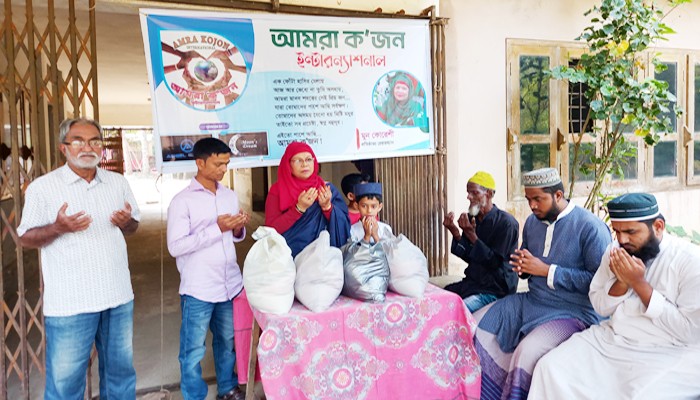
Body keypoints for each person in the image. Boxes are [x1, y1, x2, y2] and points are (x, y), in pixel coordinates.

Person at [530, 193, 700, 399]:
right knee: (549, 367)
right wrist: (622, 282)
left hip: (668, 350)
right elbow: (600, 306)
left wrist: (640, 285)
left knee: (639, 395)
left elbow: (690, 332)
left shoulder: (690, 261)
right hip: (612, 339)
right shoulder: (615, 251)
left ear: (658, 226)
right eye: (617, 231)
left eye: (630, 232)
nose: (622, 240)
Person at [17, 118, 140, 399]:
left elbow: (134, 227)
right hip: (71, 303)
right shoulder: (43, 188)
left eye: (95, 140)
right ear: (64, 148)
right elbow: (25, 238)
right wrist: (58, 227)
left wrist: (125, 222)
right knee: (66, 385)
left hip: (118, 297)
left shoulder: (117, 183)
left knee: (120, 378)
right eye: (78, 140)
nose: (88, 147)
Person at [473, 167, 611, 400]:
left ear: (558, 195)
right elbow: (530, 267)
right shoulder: (532, 223)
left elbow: (600, 283)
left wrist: (547, 270)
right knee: (475, 325)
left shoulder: (590, 227)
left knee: (526, 353)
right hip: (533, 300)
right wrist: (523, 268)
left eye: (538, 199)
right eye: (529, 200)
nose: (533, 206)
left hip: (573, 311)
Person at [167, 138, 249, 400]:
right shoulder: (183, 201)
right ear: (199, 163)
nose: (223, 169)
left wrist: (237, 228)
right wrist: (217, 228)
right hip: (199, 287)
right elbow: (176, 246)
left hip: (229, 283)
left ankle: (227, 387)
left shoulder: (228, 195)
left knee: (227, 342)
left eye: (226, 163)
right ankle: (194, 394)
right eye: (217, 164)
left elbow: (234, 236)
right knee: (192, 349)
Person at [442, 171, 519, 313]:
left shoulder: (507, 223)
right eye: (468, 193)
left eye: (474, 193)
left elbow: (495, 262)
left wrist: (472, 235)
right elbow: (469, 256)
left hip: (495, 289)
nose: (469, 197)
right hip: (474, 283)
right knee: (440, 298)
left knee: (456, 311)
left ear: (488, 194)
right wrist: (456, 232)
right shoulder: (475, 218)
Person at [264, 141, 350, 257]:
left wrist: (327, 207)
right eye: (298, 160)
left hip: (322, 258)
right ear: (288, 165)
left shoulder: (326, 189)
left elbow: (343, 225)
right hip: (288, 258)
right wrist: (298, 209)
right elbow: (271, 230)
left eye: (309, 159)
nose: (304, 164)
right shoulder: (277, 191)